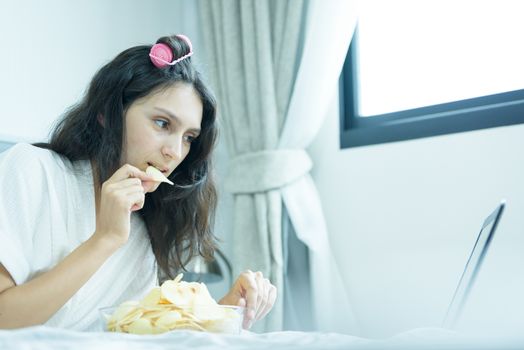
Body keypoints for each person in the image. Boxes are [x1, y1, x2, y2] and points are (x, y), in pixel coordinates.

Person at [0, 34, 276, 331]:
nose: (175, 151)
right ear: (108, 114)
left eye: (189, 137)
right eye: (162, 123)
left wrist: (226, 312)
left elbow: (138, 333)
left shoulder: (145, 226)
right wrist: (105, 239)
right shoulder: (31, 169)